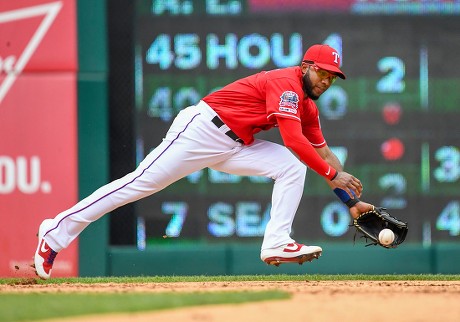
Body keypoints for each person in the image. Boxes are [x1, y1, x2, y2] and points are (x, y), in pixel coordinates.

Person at [34, 44, 374, 279]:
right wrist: (333, 174)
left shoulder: (308, 106)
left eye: (332, 76)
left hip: (236, 145)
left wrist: (351, 200)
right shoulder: (286, 84)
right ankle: (55, 232)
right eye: (322, 73)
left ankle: (275, 242)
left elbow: (323, 152)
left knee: (291, 166)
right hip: (201, 132)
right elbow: (293, 140)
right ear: (305, 67)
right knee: (138, 185)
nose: (327, 81)